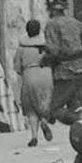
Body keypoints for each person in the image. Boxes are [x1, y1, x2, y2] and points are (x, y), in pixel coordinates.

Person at [43, 0, 82, 125]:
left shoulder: (52, 24)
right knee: (75, 106)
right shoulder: (76, 23)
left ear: (51, 9)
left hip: (64, 72)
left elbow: (53, 50)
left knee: (53, 109)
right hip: (81, 70)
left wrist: (45, 60)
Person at [13, 19, 54, 147]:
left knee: (31, 107)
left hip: (30, 75)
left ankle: (34, 136)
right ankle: (44, 120)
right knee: (46, 101)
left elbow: (17, 68)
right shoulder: (47, 44)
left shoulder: (22, 47)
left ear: (27, 30)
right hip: (47, 74)